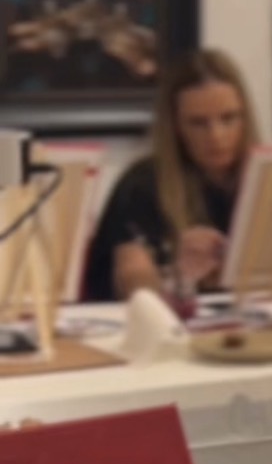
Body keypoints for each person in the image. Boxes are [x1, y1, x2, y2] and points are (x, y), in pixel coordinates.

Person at [83, 48, 258, 301]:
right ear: (175, 127)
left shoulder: (270, 181)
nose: (216, 136)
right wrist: (178, 275)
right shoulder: (142, 184)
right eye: (198, 123)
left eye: (229, 119)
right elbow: (135, 284)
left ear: (246, 117)